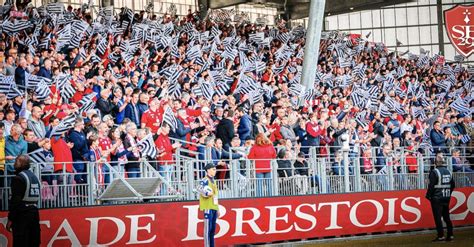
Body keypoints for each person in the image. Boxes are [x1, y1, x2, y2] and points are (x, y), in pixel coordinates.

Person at [6, 155, 41, 247]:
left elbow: (15, 201)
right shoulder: (34, 177)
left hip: (22, 215)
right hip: (34, 213)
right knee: (33, 242)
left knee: (20, 242)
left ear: (22, 163)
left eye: (16, 161)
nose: (14, 163)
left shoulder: (19, 178)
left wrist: (10, 219)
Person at [426, 153, 455, 242]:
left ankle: (440, 236)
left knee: (438, 218)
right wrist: (448, 193)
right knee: (447, 217)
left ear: (435, 163)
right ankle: (450, 235)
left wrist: (428, 195)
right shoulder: (449, 171)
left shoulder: (434, 172)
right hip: (446, 197)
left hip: (437, 198)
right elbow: (453, 185)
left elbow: (431, 186)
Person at [197, 163, 219, 247]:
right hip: (207, 207)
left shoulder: (213, 181)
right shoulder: (205, 180)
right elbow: (199, 188)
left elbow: (215, 196)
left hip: (213, 207)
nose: (215, 171)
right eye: (213, 169)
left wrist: (217, 209)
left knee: (212, 230)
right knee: (207, 230)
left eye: (215, 169)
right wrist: (206, 192)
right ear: (208, 170)